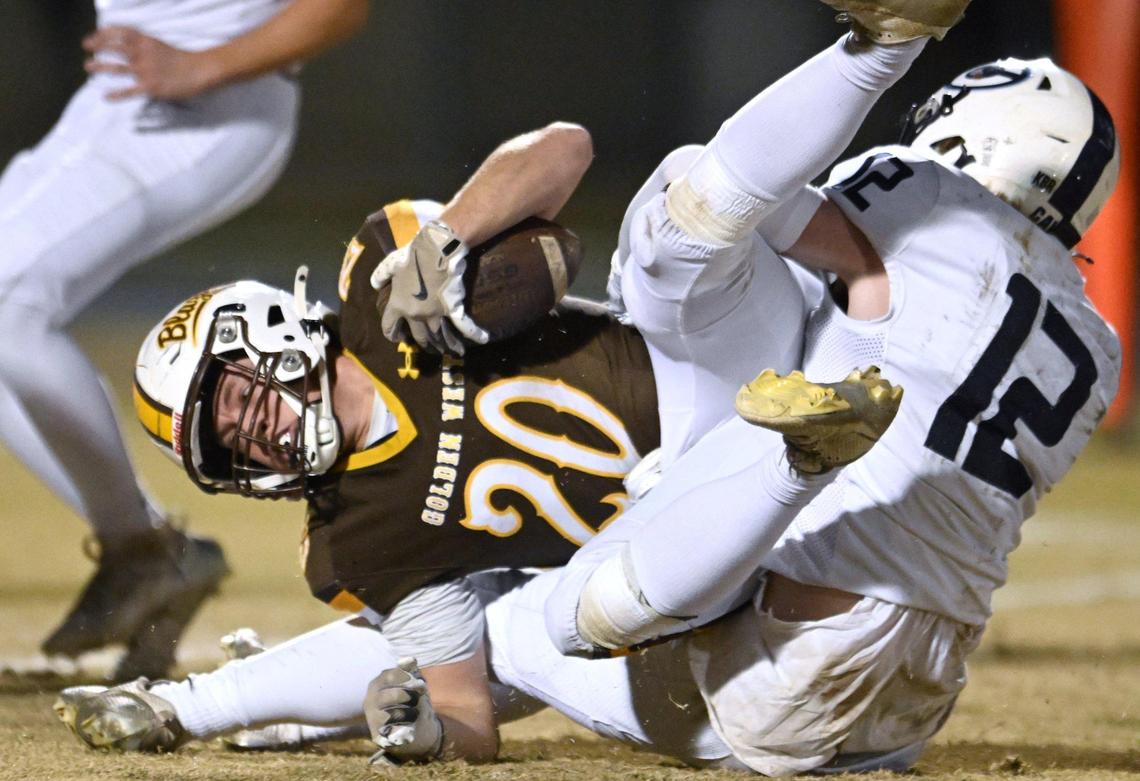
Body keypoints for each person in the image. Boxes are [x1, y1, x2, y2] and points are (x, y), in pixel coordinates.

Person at [3, 0, 370, 679]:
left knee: (8, 303)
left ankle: (143, 552)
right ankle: (140, 546)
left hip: (208, 106)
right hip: (117, 103)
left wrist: (202, 63)